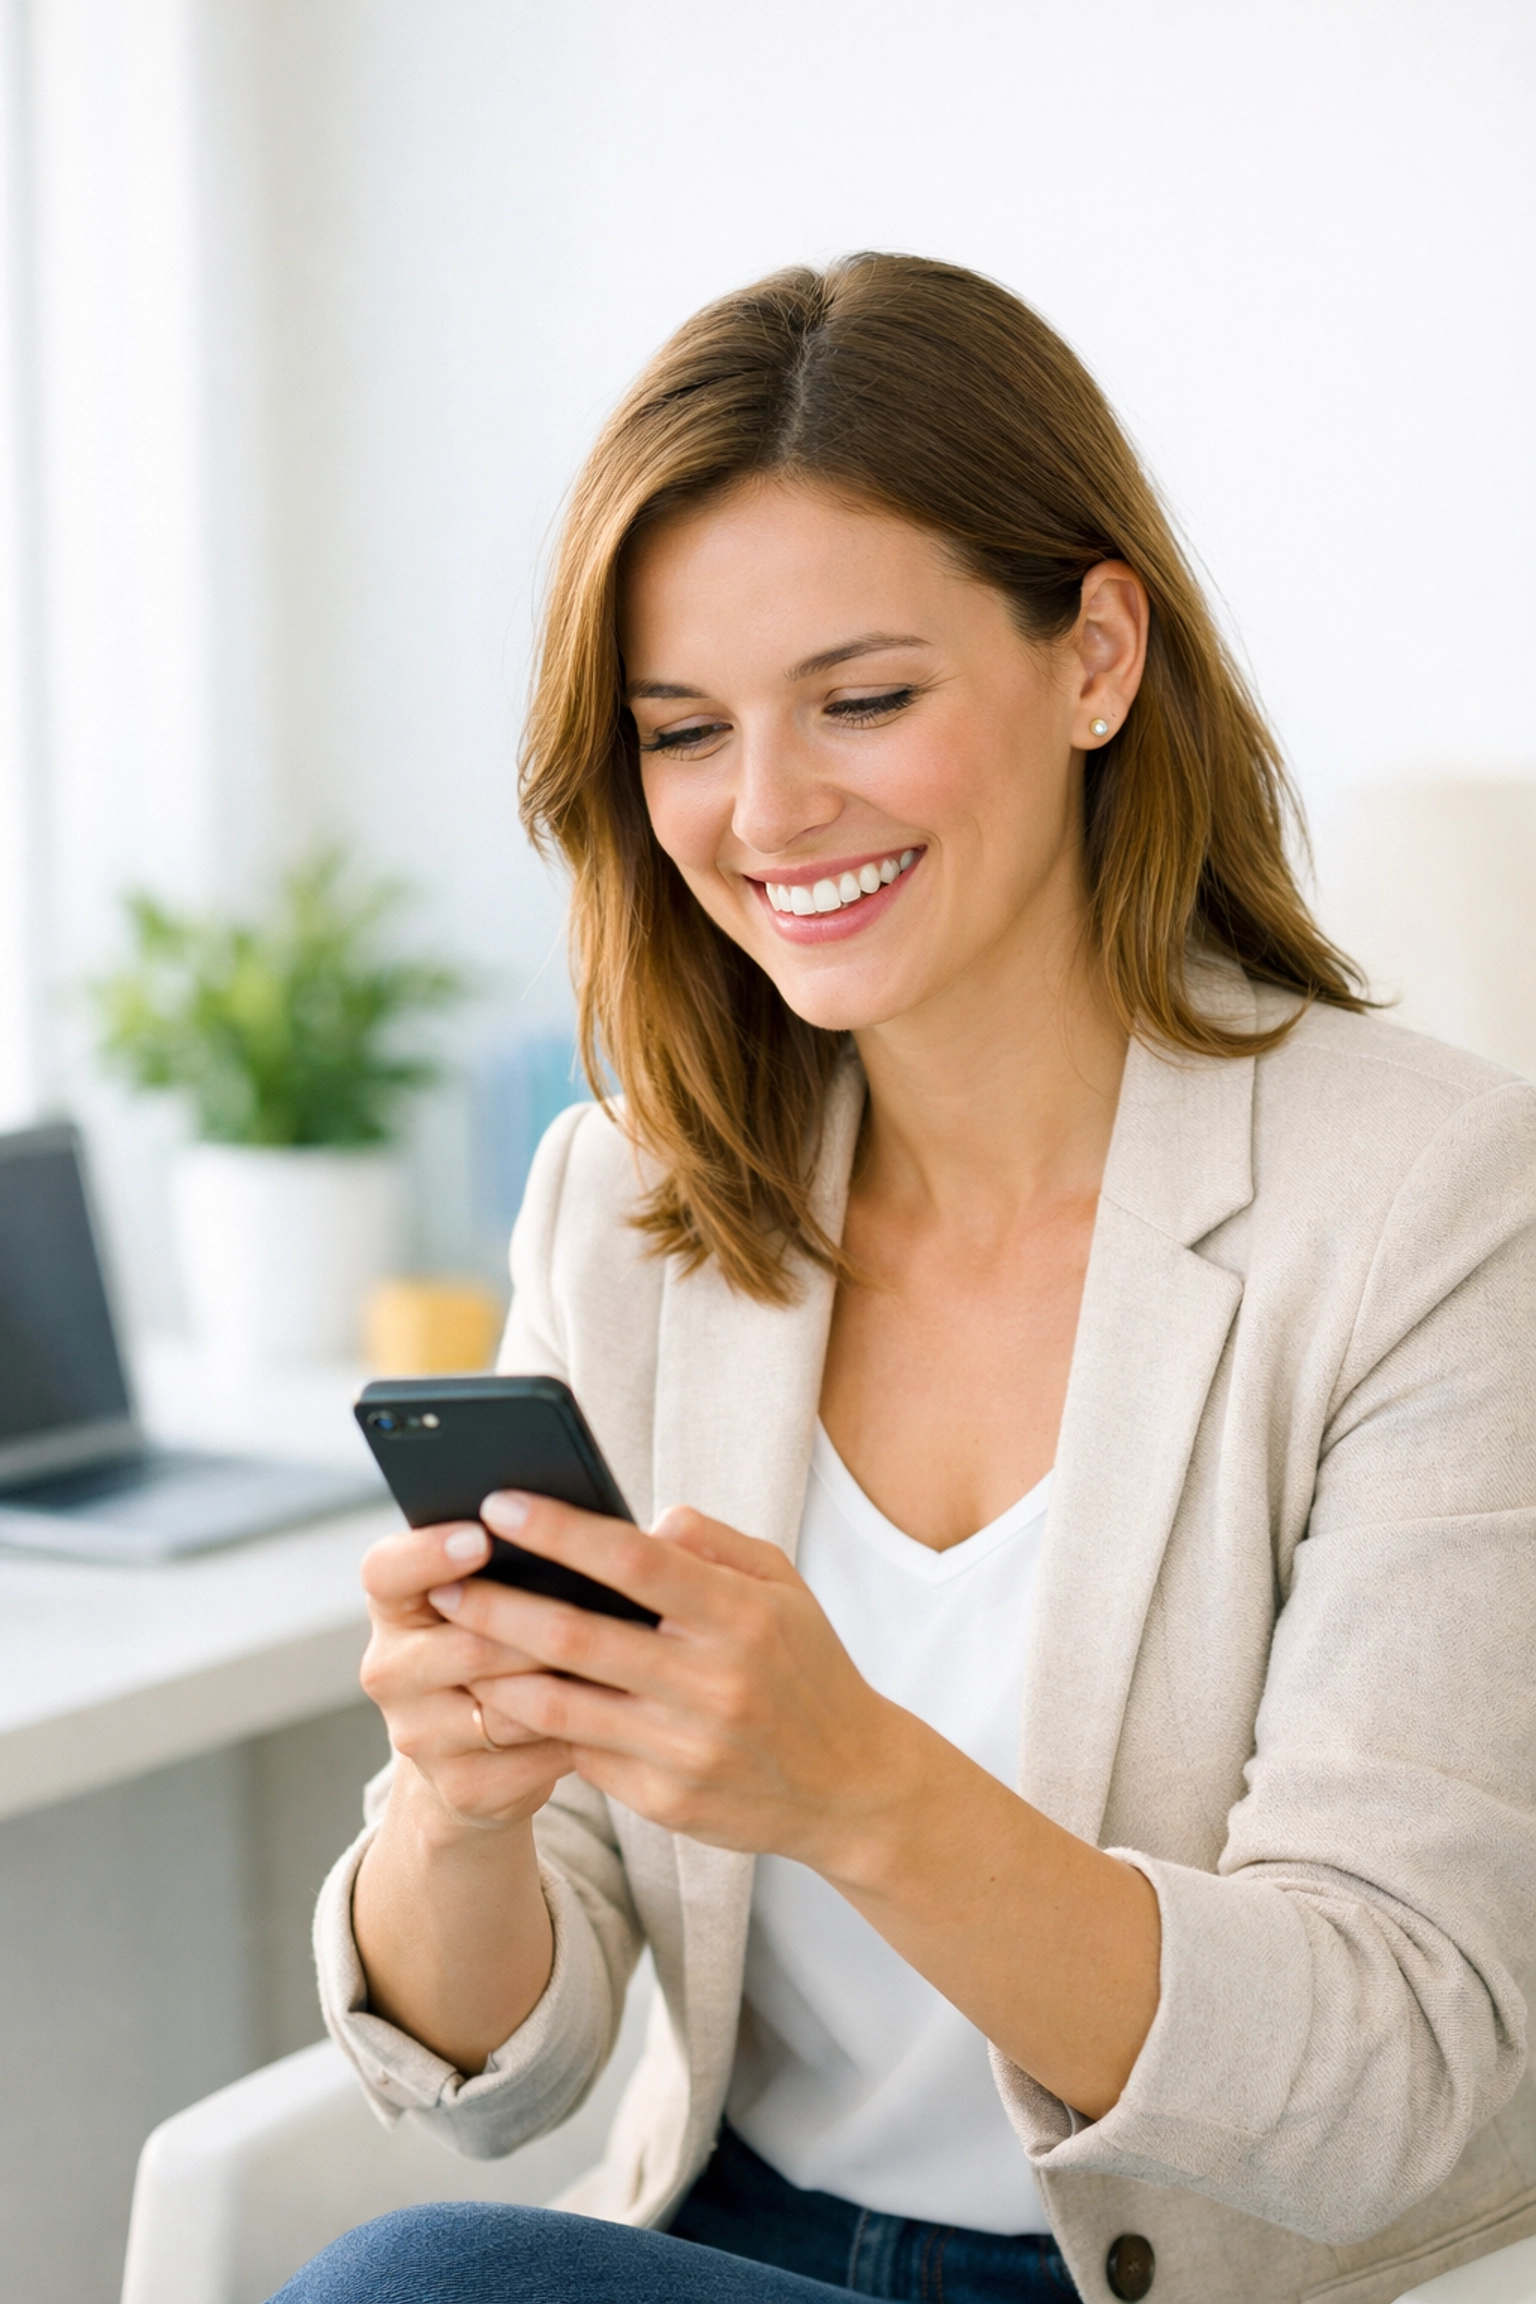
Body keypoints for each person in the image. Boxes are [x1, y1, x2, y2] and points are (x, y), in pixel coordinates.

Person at [277, 256, 1536, 2304]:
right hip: (740, 2249)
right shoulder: (622, 1205)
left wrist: (854, 1787)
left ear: (1096, 654)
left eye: (864, 700)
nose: (769, 813)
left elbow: (1388, 2063)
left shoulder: (1434, 1206)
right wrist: (460, 1803)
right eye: (684, 732)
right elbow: (511, 2081)